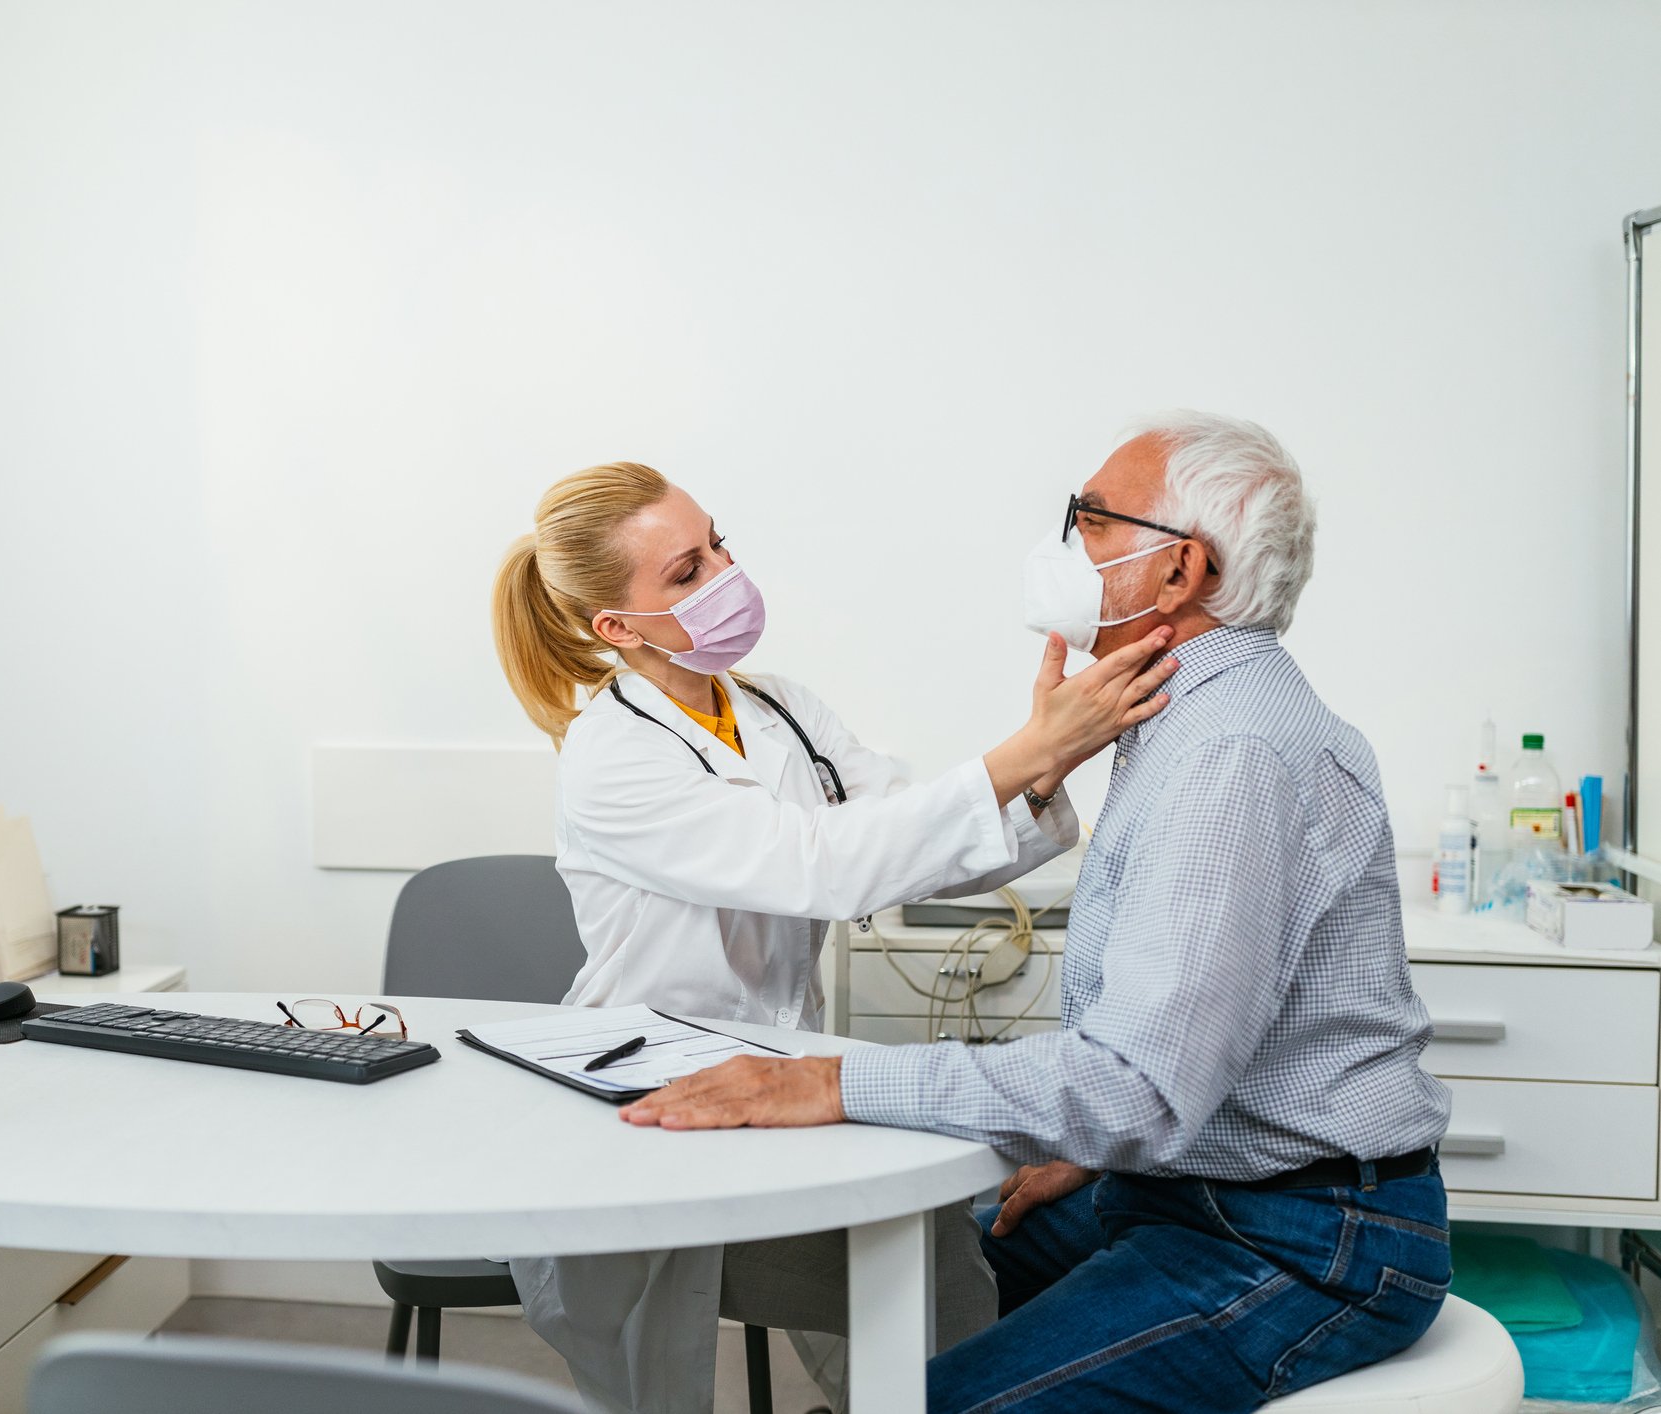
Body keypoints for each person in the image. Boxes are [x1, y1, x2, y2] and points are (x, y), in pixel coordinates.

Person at [622, 413, 1454, 1414]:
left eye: (1089, 519)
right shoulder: (1186, 712)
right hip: (1188, 1185)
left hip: (1294, 1240)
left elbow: (1135, 1084)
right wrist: (1097, 1145)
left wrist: (835, 1082)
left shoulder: (1227, 752)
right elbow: (1174, 1055)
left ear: (1180, 570)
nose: (1065, 543)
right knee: (922, 1280)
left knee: (922, 1393)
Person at [489, 460, 1179, 1414]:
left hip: (771, 1079)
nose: (726, 574)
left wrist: (1042, 772)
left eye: (716, 545)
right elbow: (819, 864)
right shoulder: (612, 757)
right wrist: (1025, 749)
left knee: (922, 1257)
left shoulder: (777, 708)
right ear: (616, 627)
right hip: (641, 1097)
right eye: (687, 571)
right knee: (662, 1372)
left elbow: (908, 843)